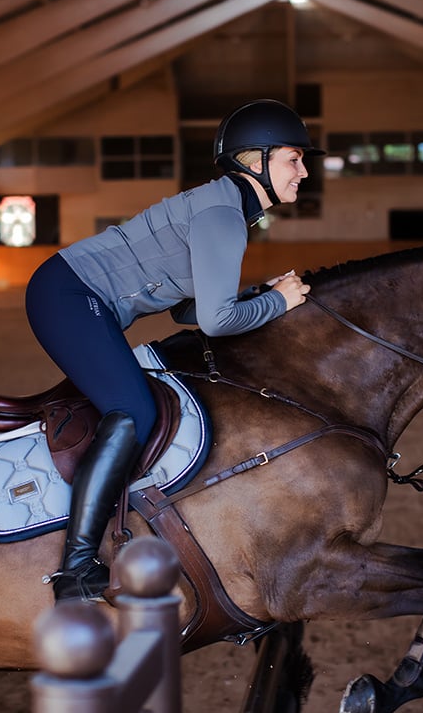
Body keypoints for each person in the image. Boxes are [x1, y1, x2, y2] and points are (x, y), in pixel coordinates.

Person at [25, 99, 323, 603]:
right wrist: (277, 301)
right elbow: (215, 321)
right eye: (294, 159)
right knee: (134, 409)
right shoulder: (223, 215)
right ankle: (76, 569)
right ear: (256, 162)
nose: (305, 171)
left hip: (69, 292)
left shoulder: (226, 209)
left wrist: (258, 297)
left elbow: (189, 310)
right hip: (69, 295)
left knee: (134, 404)